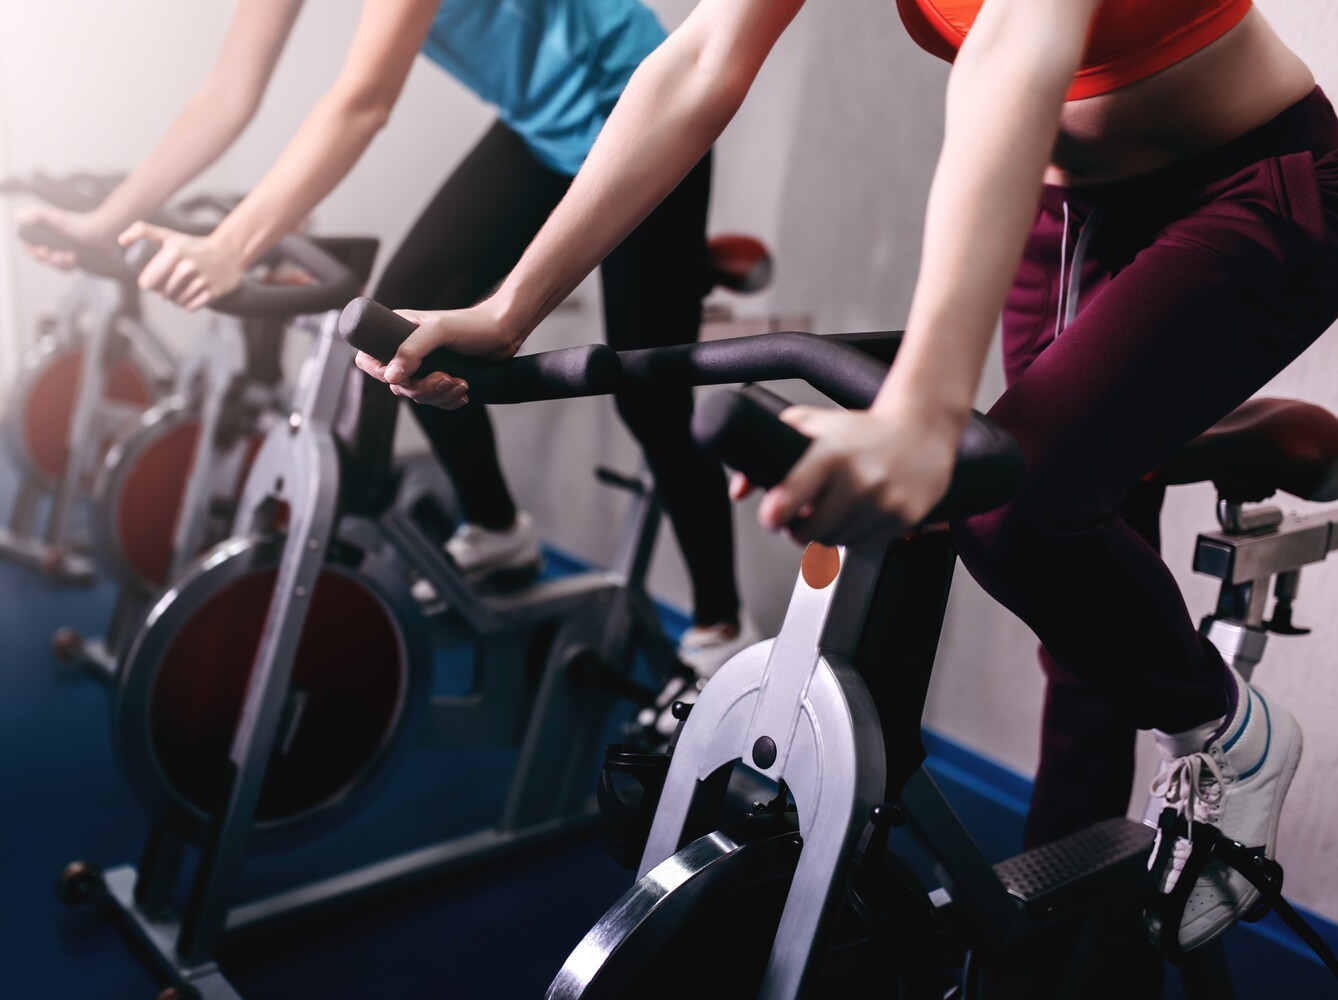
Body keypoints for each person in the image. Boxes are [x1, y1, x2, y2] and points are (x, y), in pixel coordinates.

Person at [354, 0, 1338, 956]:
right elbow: (702, 60)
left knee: (1015, 509)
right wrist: (510, 309)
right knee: (1074, 588)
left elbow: (1020, 43)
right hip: (1071, 212)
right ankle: (1055, 960)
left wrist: (921, 408)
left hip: (1253, 189)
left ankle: (1232, 733)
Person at [16, 0, 761, 705]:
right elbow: (227, 93)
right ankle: (499, 531)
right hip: (539, 128)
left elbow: (365, 100)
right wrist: (102, 225)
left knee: (649, 400)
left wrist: (231, 245)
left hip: (639, 111)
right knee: (406, 315)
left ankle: (721, 628)